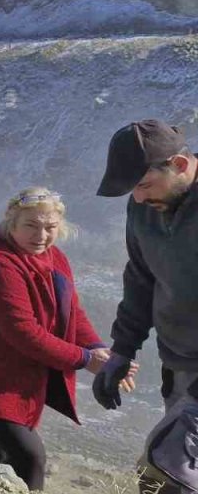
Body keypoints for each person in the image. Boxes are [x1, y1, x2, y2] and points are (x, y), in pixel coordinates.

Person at [0, 187, 135, 491]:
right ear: (11, 224)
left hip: (10, 374)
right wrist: (86, 360)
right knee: (29, 458)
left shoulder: (54, 258)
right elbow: (23, 332)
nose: (41, 235)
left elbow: (71, 311)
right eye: (31, 225)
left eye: (50, 227)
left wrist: (97, 348)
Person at [94, 119, 198, 493]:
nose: (136, 198)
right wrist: (123, 349)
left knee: (166, 474)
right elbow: (141, 277)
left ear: (181, 166)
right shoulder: (144, 207)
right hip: (181, 365)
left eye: (142, 185)